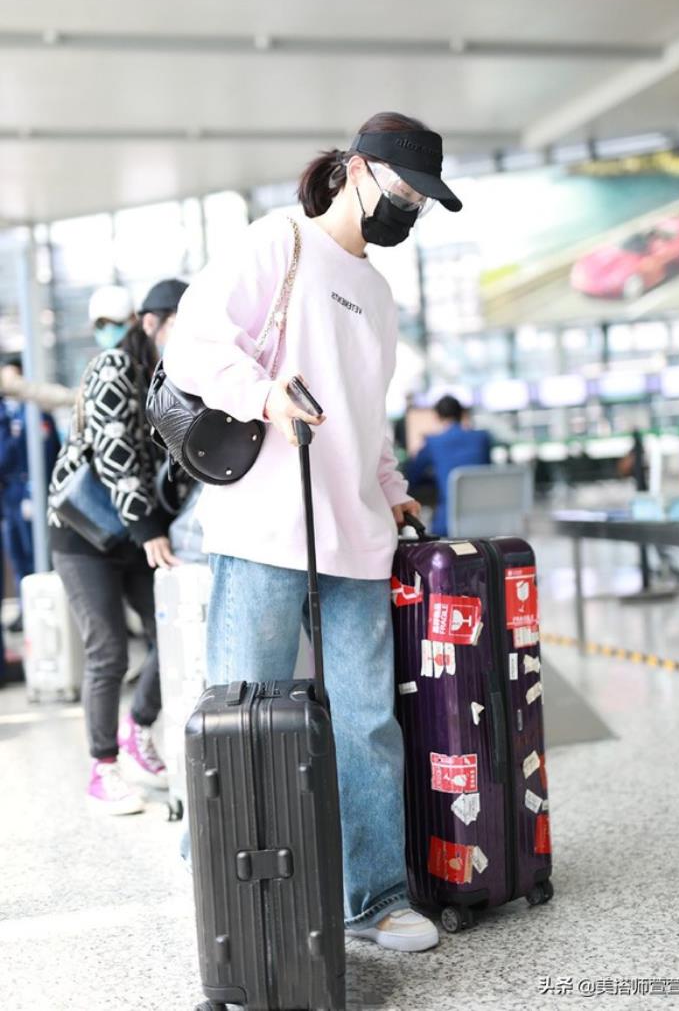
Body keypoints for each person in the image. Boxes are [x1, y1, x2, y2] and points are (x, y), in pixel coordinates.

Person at [165, 111, 462, 953]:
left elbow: (369, 418)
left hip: (357, 537)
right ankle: (219, 887)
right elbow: (192, 345)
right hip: (265, 527)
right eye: (403, 191)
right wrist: (262, 394)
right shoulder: (279, 242)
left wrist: (391, 491)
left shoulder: (380, 294)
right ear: (358, 171)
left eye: (422, 201)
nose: (409, 209)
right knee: (243, 716)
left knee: (366, 724)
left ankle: (374, 899)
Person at [48, 280, 187, 815]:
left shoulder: (161, 372)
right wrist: (149, 527)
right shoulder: (114, 366)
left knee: (166, 635)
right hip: (84, 534)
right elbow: (114, 453)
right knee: (107, 651)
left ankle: (138, 728)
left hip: (130, 531)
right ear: (150, 322)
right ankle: (102, 769)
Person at [0, 358, 61, 631]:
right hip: (11, 496)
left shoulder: (36, 413)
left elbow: (51, 453)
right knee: (18, 556)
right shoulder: (5, 414)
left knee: (39, 554)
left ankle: (43, 611)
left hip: (34, 491)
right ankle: (26, 608)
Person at [407, 395, 491, 536]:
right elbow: (486, 470)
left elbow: (412, 475)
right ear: (462, 414)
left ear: (437, 416)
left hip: (448, 523)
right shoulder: (482, 438)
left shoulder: (434, 442)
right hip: (484, 519)